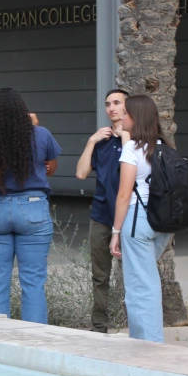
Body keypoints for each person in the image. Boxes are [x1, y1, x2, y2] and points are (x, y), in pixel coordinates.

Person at [0, 88, 62, 324]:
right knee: (33, 281)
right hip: (32, 207)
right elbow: (51, 166)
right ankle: (34, 340)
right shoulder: (41, 134)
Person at [110, 94, 173, 343]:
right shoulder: (164, 146)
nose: (121, 116)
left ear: (136, 117)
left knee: (140, 286)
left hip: (138, 219)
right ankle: (143, 340)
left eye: (126, 112)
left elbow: (124, 194)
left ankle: (148, 345)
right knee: (146, 280)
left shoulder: (132, 148)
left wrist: (115, 231)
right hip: (163, 220)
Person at [75, 89, 128, 333]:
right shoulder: (101, 142)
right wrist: (91, 141)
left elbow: (132, 169)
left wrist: (125, 137)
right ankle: (99, 326)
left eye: (116, 103)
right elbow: (81, 173)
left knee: (134, 275)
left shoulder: (137, 139)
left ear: (127, 107)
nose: (111, 108)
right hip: (101, 215)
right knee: (100, 275)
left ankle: (136, 326)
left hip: (130, 216)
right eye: (108, 104)